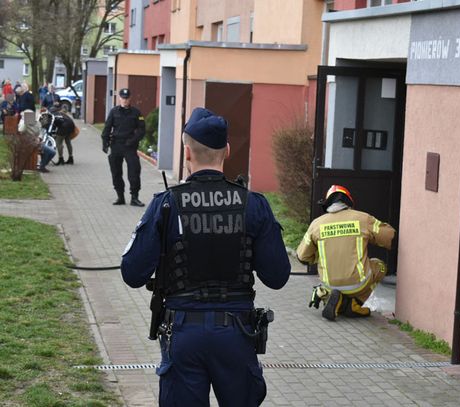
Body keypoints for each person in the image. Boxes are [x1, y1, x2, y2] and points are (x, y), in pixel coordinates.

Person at [121, 107, 291, 406]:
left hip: (183, 332)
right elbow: (277, 277)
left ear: (187, 153)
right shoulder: (253, 205)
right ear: (226, 151)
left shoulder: (166, 205)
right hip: (237, 333)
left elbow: (132, 273)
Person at [296, 184, 396, 321]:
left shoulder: (316, 224)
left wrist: (318, 257)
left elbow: (302, 257)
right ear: (348, 201)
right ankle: (356, 302)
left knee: (326, 270)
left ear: (327, 203)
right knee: (380, 266)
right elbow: (390, 237)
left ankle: (334, 299)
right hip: (358, 285)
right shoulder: (363, 219)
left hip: (329, 284)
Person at [101, 88, 146, 206]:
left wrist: (133, 140)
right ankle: (120, 196)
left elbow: (142, 130)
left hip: (129, 146)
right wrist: (105, 142)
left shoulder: (136, 113)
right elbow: (107, 127)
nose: (125, 100)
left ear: (130, 98)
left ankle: (134, 197)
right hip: (116, 145)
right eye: (123, 98)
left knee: (134, 171)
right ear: (119, 98)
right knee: (116, 172)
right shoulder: (114, 111)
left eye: (127, 98)